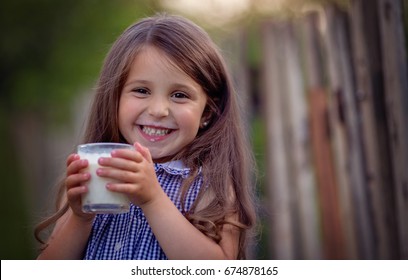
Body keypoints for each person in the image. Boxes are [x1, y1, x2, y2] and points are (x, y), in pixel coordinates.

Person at [34, 13, 257, 260]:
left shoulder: (209, 185)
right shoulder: (95, 173)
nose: (158, 110)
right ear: (114, 98)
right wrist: (80, 218)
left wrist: (152, 200)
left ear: (207, 111)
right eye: (141, 90)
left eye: (180, 95)